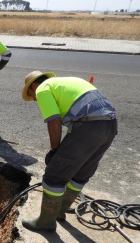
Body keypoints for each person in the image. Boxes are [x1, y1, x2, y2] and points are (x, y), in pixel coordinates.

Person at [21, 70, 117, 231]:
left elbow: (53, 121)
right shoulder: (70, 82)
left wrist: (55, 150)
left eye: (32, 95)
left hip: (89, 126)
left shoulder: (43, 89)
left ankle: (45, 222)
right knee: (80, 173)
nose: (34, 98)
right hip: (110, 126)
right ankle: (59, 212)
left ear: (34, 86)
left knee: (54, 176)